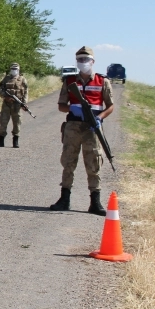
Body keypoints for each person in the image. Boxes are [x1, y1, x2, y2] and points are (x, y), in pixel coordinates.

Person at [49, 46, 114, 215]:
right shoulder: (70, 81)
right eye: (80, 60)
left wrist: (100, 118)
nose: (83, 63)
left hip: (92, 128)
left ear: (93, 61)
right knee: (68, 161)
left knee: (93, 163)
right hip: (73, 127)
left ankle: (95, 201)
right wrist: (72, 109)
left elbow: (111, 106)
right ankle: (64, 199)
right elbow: (61, 106)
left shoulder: (102, 81)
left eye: (86, 59)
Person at [0, 62, 28, 148]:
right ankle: (1, 141)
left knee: (17, 123)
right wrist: (5, 97)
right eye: (12, 69)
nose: (14, 71)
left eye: (16, 69)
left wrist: (24, 103)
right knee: (3, 122)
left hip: (17, 105)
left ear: (18, 70)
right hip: (6, 104)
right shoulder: (6, 79)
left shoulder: (22, 79)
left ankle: (15, 141)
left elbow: (25, 92)